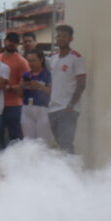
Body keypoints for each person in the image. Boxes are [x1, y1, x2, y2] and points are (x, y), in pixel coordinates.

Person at [48, 24, 86, 153]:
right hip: (53, 108)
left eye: (64, 36)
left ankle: (71, 165)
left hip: (67, 109)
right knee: (58, 143)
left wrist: (71, 105)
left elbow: (82, 84)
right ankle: (63, 166)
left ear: (71, 39)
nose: (61, 39)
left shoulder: (76, 58)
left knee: (66, 143)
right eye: (59, 36)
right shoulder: (53, 58)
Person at [0, 32, 30, 149]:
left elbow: (25, 84)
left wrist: (10, 88)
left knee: (15, 136)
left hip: (14, 105)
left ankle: (16, 159)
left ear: (17, 44)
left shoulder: (22, 62)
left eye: (15, 42)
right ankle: (0, 158)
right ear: (5, 41)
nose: (12, 43)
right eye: (10, 41)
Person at [21, 50, 53, 145]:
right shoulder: (26, 75)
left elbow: (51, 92)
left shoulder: (48, 74)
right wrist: (22, 85)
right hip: (27, 108)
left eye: (34, 61)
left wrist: (39, 85)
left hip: (42, 109)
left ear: (41, 60)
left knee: (43, 142)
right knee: (28, 142)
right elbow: (20, 94)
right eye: (29, 61)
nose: (31, 64)